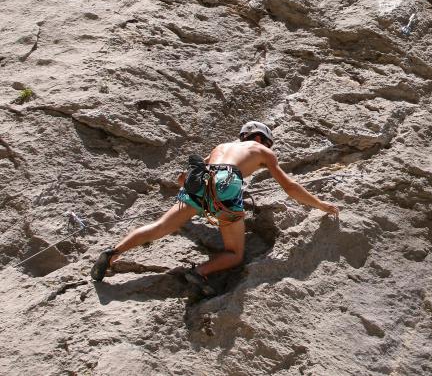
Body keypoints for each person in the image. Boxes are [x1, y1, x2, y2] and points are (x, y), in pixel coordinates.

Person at [90, 121, 340, 296]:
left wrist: (191, 193)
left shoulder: (219, 147)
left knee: (159, 227)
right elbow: (290, 187)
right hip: (227, 182)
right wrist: (319, 204)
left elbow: (185, 178)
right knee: (235, 253)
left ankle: (113, 252)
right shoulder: (262, 150)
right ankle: (199, 272)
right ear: (261, 139)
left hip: (201, 178)